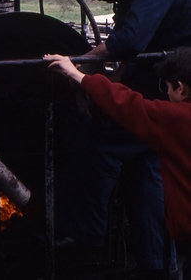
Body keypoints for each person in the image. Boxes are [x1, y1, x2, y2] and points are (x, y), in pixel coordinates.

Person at [60, 0, 191, 280]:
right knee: (145, 167)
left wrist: (82, 62)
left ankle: (82, 236)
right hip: (157, 82)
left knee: (98, 139)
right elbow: (131, 47)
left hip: (177, 89)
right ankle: (156, 263)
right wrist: (115, 80)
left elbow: (130, 40)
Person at [45, 49, 191, 280]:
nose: (166, 95)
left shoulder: (175, 119)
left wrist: (77, 75)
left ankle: (85, 234)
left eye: (167, 88)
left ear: (180, 88)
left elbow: (126, 104)